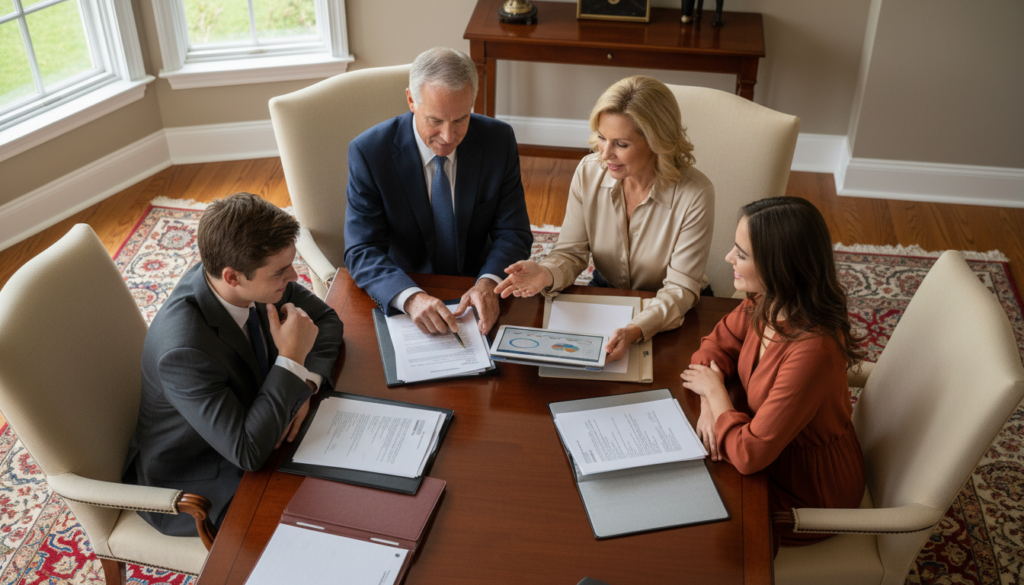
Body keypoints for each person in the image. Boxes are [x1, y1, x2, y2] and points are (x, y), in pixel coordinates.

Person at [123, 193, 344, 537]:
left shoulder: (255, 279)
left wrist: (308, 384)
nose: (294, 275)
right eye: (281, 271)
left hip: (258, 421)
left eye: (291, 263)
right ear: (233, 277)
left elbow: (326, 319)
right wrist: (291, 360)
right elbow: (248, 452)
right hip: (204, 477)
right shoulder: (182, 351)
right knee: (324, 526)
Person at [680, 196, 867, 552]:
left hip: (805, 492)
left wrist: (718, 394)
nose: (728, 259)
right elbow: (715, 344)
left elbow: (750, 456)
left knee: (698, 532)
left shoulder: (813, 350)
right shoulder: (766, 299)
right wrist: (709, 404)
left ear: (781, 265)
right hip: (763, 449)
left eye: (742, 254)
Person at [494, 75, 714, 362]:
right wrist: (546, 273)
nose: (605, 154)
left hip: (674, 309)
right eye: (601, 138)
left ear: (656, 142)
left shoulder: (695, 194)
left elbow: (681, 290)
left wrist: (636, 329)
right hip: (609, 294)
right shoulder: (588, 172)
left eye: (621, 144)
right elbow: (571, 253)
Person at [344, 47, 532, 336]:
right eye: (435, 120)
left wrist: (488, 282)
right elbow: (361, 249)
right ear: (411, 100)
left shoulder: (498, 140)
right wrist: (410, 298)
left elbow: (514, 232)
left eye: (460, 119)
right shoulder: (370, 153)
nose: (448, 136)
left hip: (477, 283)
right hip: (406, 283)